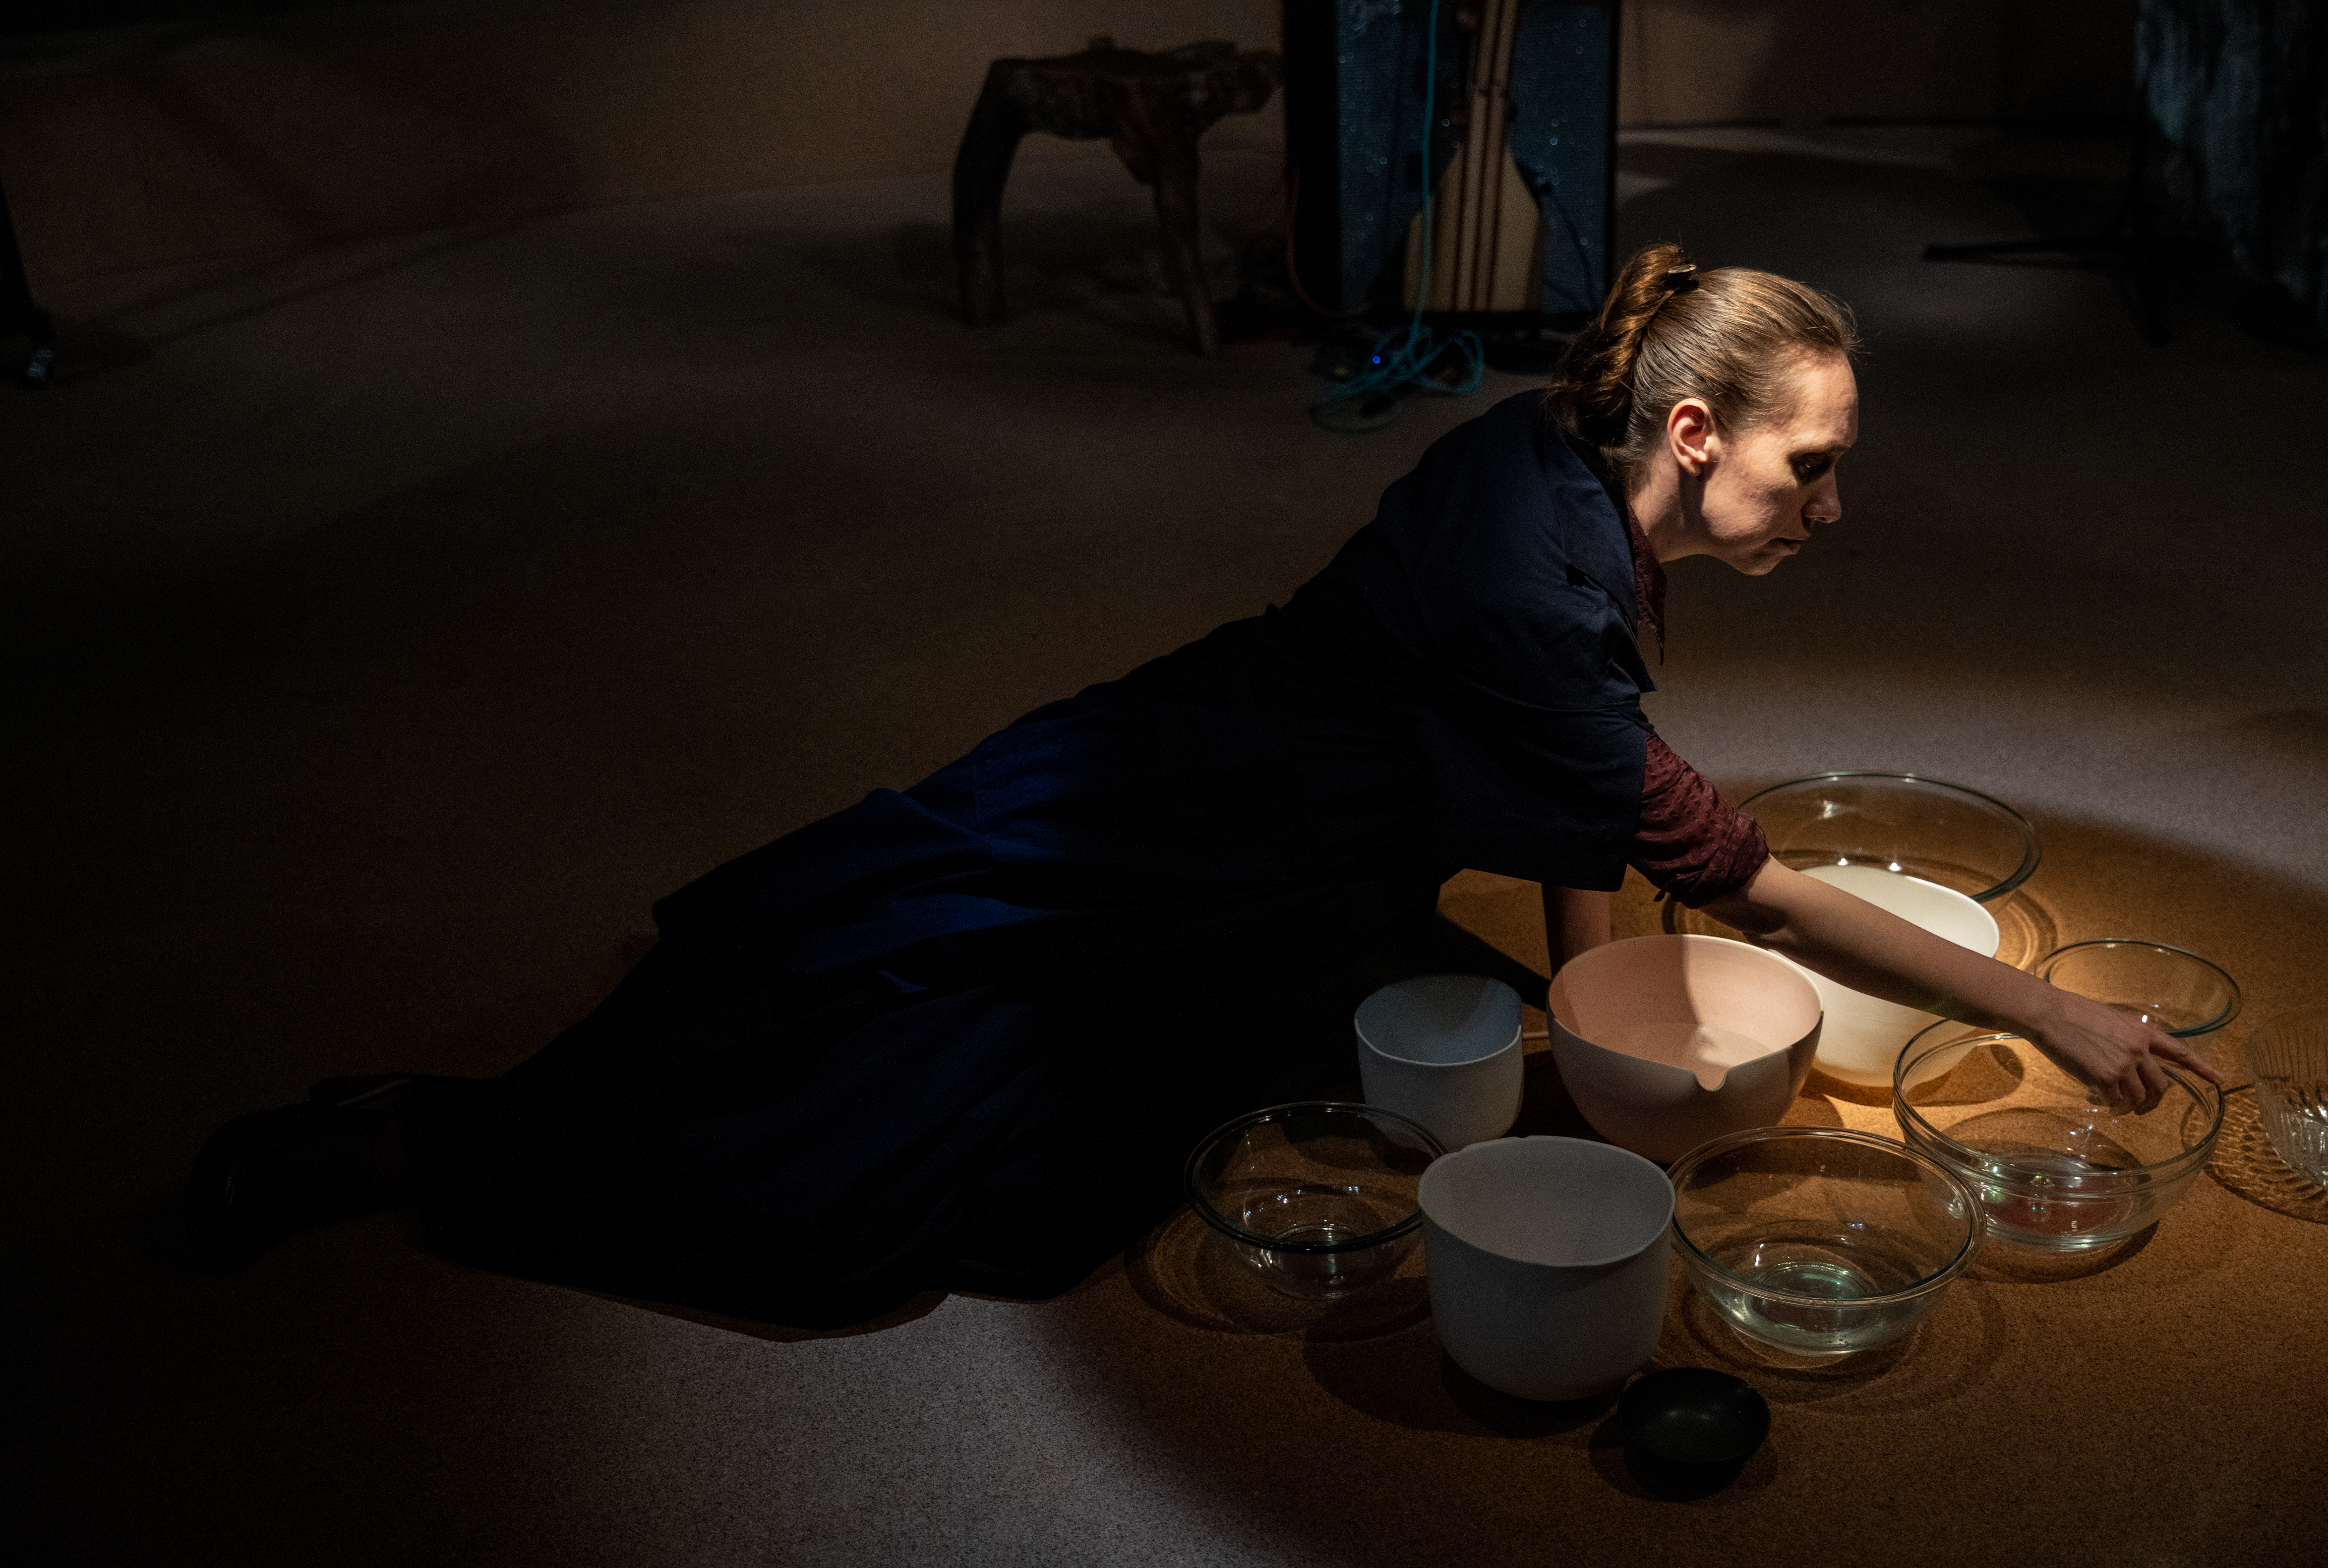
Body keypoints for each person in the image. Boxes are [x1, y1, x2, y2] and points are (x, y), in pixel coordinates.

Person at [187, 244, 2216, 1324]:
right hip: (1187, 835)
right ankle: (405, 1150)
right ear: (1691, 430)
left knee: (1207, 1082)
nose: (1833, 506)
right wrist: (2044, 1006)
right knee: (867, 1189)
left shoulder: (1545, 456)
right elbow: (1730, 870)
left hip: (1276, 797)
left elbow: (1569, 796)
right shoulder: (1538, 593)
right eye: (1810, 465)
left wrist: (1592, 1018)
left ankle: (466, 1123)